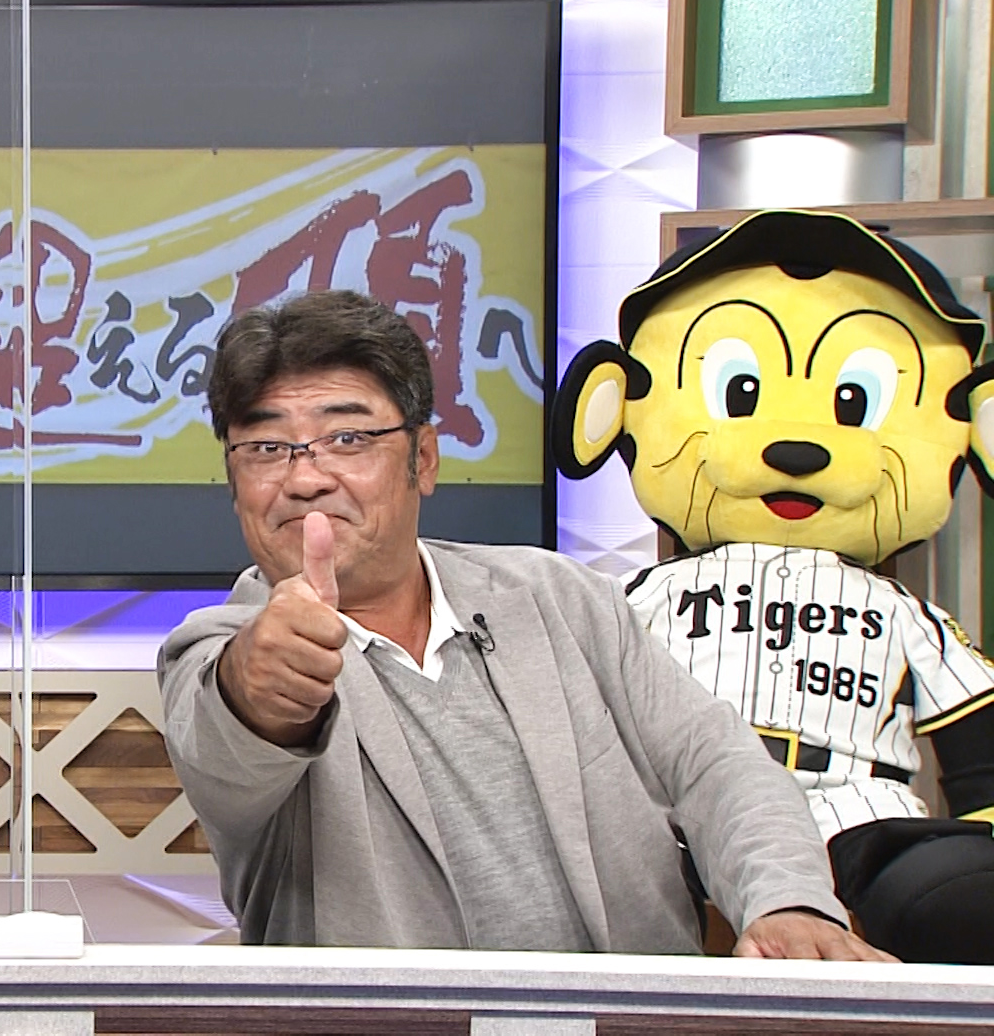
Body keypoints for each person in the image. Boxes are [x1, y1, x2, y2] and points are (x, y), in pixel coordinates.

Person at [157, 289, 890, 958]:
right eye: (265, 448)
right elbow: (227, 739)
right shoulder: (219, 650)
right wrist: (262, 684)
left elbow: (713, 761)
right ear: (233, 481)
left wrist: (789, 901)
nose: (305, 477)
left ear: (424, 458)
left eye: (348, 438)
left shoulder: (562, 598)